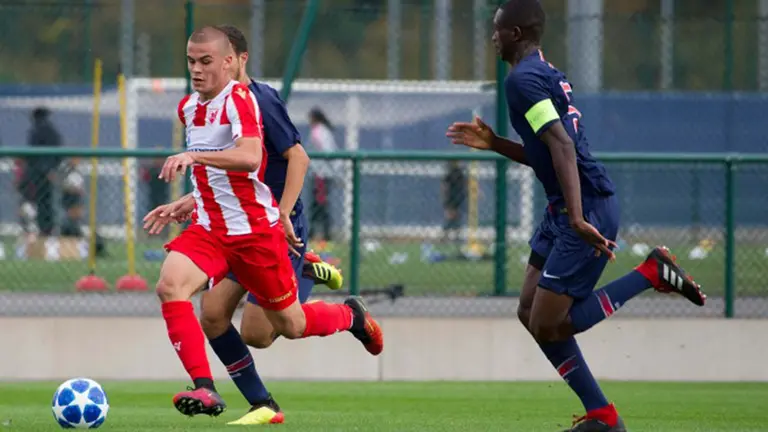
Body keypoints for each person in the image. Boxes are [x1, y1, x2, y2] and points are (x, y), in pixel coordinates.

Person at [446, 2, 706, 431]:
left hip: (583, 208)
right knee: (530, 312)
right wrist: (496, 144)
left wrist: (579, 217)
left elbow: (563, 146)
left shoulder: (521, 81)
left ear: (514, 33)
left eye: (496, 29)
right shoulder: (545, 71)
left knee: (548, 323)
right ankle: (602, 415)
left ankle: (650, 272)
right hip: (564, 206)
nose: (492, 36)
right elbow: (548, 150)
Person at [153, 26, 383, 420]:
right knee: (172, 287)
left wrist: (195, 158)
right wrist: (189, 200)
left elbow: (249, 157)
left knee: (283, 327)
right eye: (191, 61)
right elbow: (221, 173)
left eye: (205, 61)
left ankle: (350, 315)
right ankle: (208, 389)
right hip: (211, 230)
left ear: (232, 61)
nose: (196, 69)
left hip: (256, 234)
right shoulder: (188, 107)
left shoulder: (245, 99)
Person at [306, 107, 337, 244]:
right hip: (320, 173)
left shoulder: (318, 132)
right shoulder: (324, 131)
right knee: (318, 205)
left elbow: (326, 151)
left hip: (321, 175)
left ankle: (324, 233)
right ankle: (316, 232)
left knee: (320, 205)